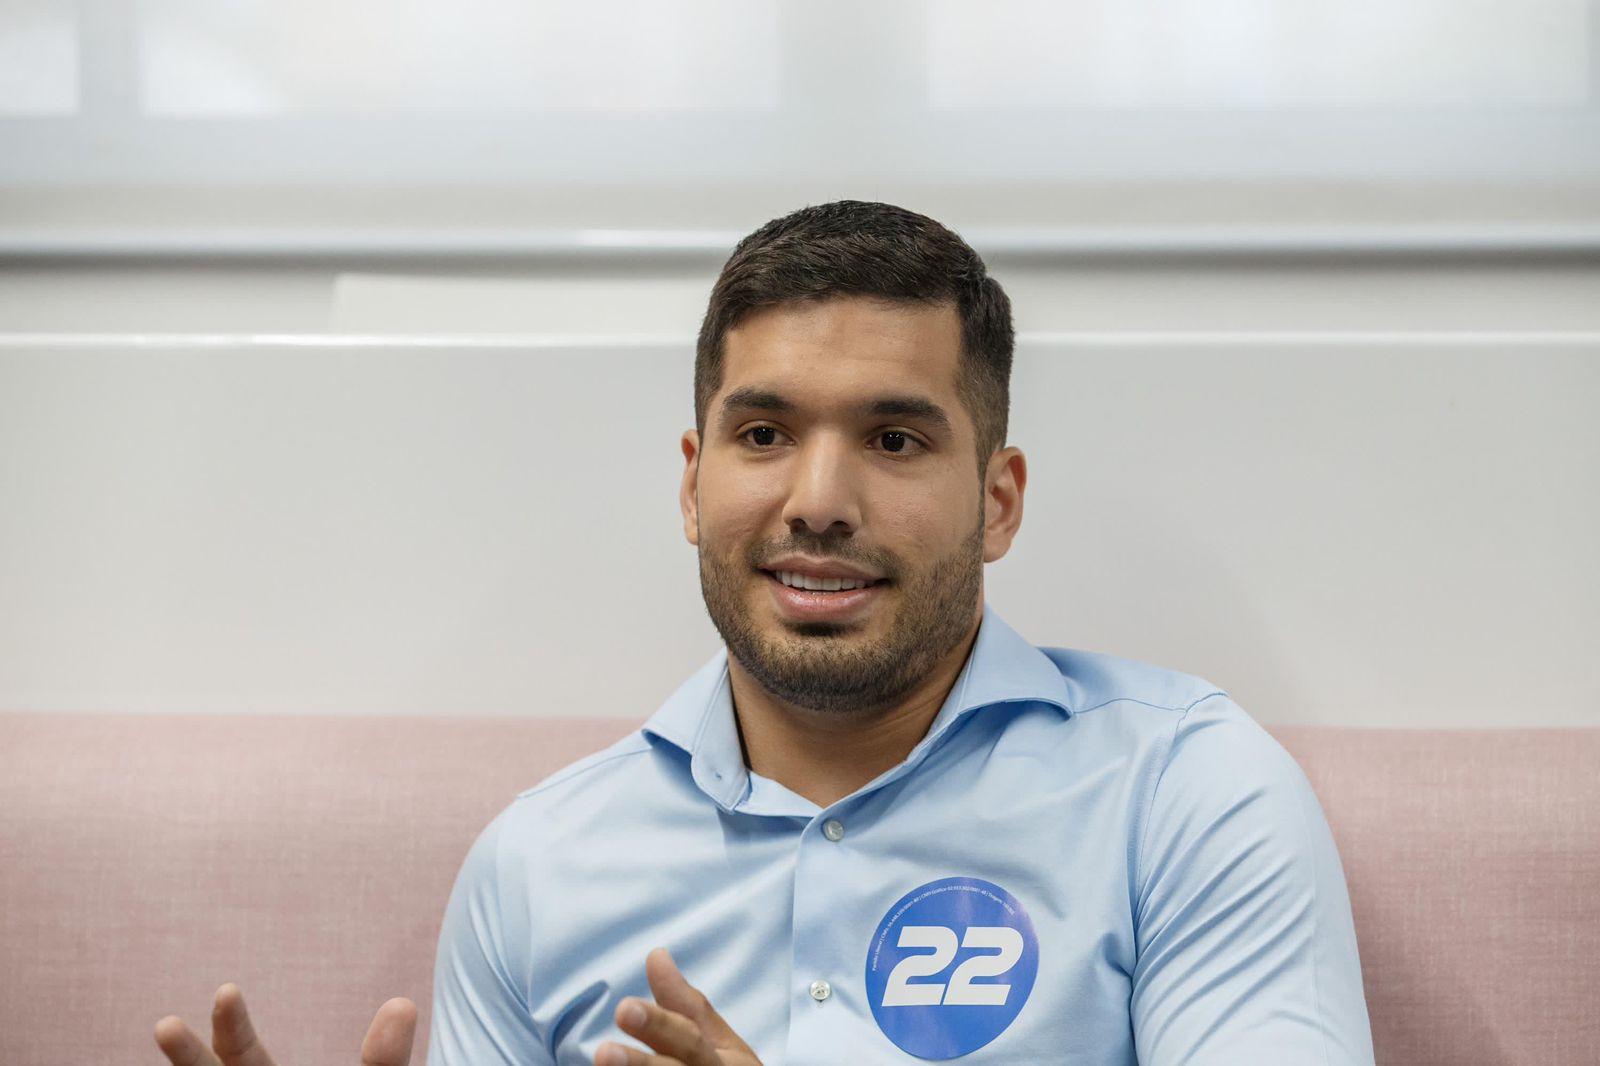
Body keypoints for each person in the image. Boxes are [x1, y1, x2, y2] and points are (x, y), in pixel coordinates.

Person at [154, 200, 1375, 1066]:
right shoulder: (537, 867)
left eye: (894, 439)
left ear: (996, 501)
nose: (817, 500)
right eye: (762, 434)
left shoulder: (1182, 794)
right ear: (693, 484)